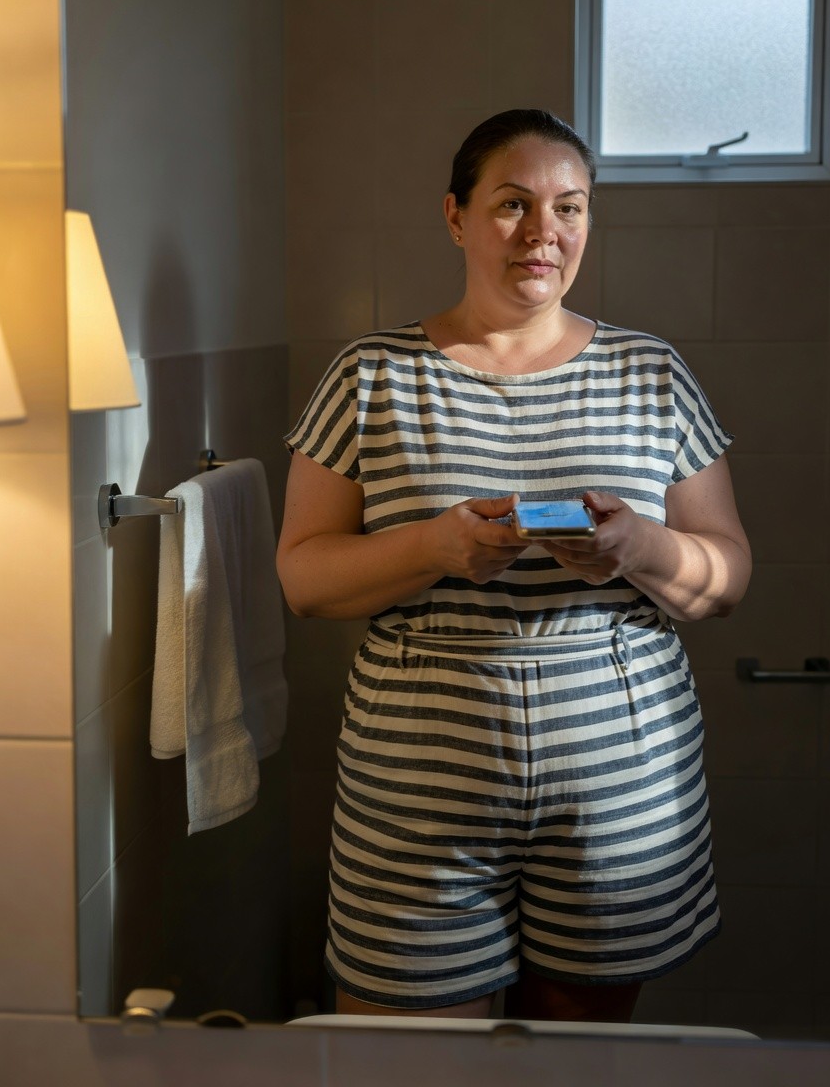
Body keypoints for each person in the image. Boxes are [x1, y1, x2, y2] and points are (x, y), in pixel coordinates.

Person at [277, 108, 751, 1023]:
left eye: (569, 207)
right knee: (407, 1061)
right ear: (456, 216)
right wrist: (435, 547)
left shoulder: (652, 373)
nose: (544, 232)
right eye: (512, 204)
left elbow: (726, 575)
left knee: (578, 1060)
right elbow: (302, 578)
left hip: (620, 780)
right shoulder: (371, 374)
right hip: (416, 783)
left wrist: (636, 547)